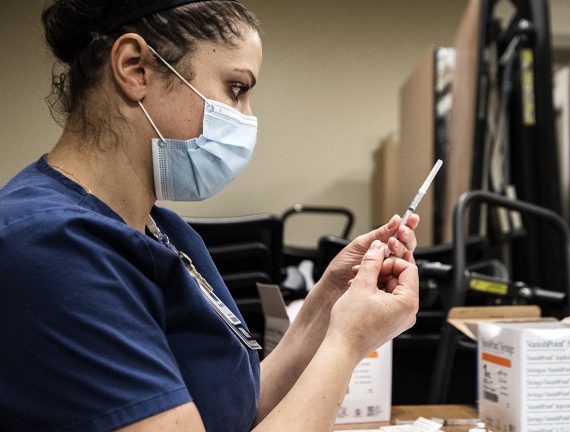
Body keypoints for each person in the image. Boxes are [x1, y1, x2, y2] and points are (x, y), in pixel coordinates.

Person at [0, 1, 420, 431]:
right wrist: (348, 342)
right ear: (135, 68)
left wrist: (329, 304)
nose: (247, 118)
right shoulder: (51, 247)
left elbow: (234, 410)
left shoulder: (166, 232)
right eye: (236, 89)